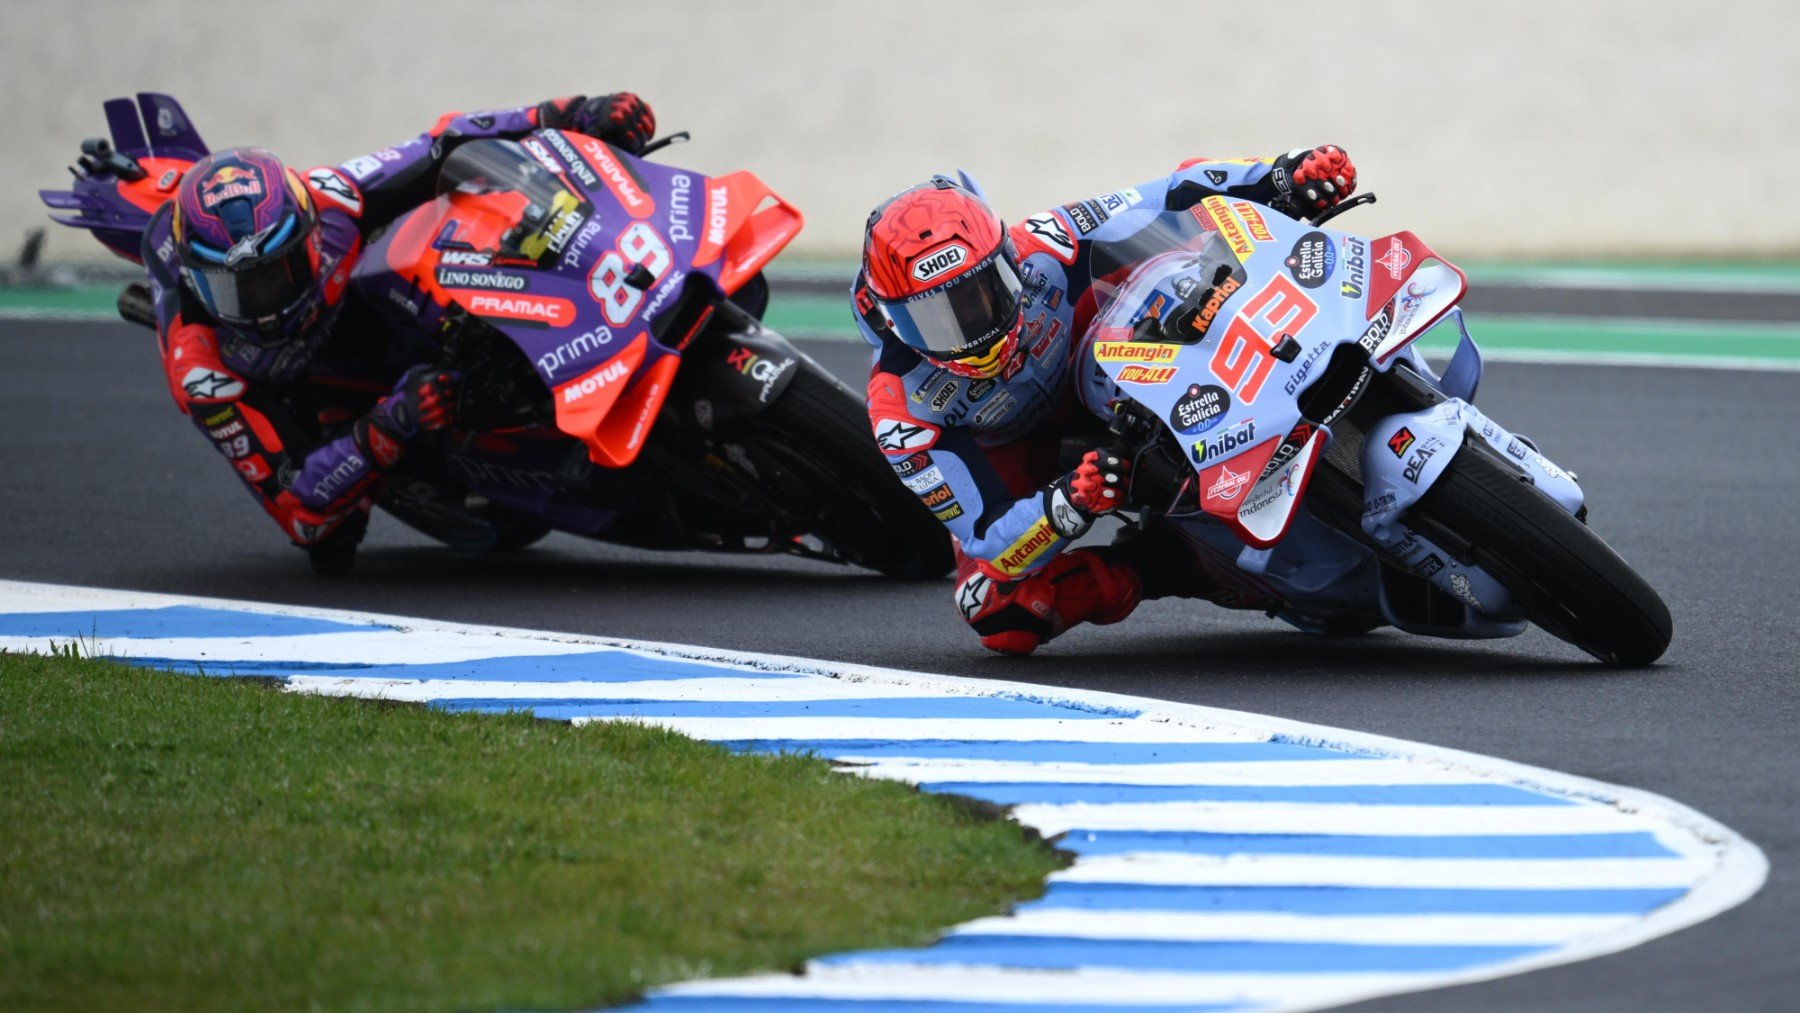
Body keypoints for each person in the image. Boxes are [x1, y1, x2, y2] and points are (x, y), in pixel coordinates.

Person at [855, 146, 1358, 653]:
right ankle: (1176, 562)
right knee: (995, 609)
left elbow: (1170, 192)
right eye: (935, 318)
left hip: (1121, 342)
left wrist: (1281, 178)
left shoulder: (1047, 244)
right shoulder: (902, 408)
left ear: (1008, 259)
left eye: (982, 293)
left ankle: (1344, 336)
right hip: (1029, 453)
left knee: (1197, 233)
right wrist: (1067, 503)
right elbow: (986, 534)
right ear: (892, 321)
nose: (971, 328)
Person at [143, 93, 657, 571]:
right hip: (303, 386)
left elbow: (444, 142)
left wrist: (571, 113)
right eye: (236, 290)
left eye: (277, 274)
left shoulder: (331, 199)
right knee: (332, 539)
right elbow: (298, 509)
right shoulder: (204, 370)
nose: (263, 305)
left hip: (373, 310)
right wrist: (391, 424)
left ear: (308, 232)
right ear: (196, 280)